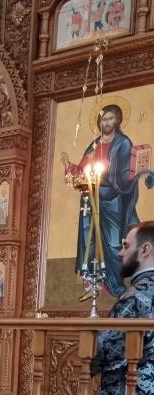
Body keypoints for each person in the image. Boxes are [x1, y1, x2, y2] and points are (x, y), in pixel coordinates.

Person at [85, 222, 154, 395]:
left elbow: (105, 347)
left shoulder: (135, 297)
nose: (120, 253)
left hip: (133, 393)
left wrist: (88, 358)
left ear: (146, 249)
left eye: (126, 246)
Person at [61, 104, 154, 297]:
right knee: (89, 239)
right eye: (104, 119)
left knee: (113, 243)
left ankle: (117, 286)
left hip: (112, 199)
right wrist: (70, 167)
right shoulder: (94, 144)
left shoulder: (123, 143)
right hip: (91, 197)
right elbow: (83, 169)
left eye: (111, 118)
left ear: (118, 120)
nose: (107, 122)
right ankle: (93, 282)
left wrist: (136, 173)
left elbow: (124, 174)